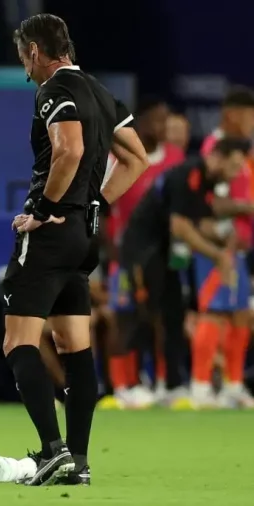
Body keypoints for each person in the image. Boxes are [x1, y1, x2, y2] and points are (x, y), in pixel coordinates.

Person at [2, 14, 147, 486]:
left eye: (24, 56)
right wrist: (96, 202)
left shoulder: (52, 91)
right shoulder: (101, 92)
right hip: (85, 236)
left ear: (36, 52)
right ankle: (78, 461)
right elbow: (136, 158)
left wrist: (45, 209)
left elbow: (70, 148)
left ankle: (50, 451)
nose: (25, 67)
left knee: (18, 341)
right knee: (74, 348)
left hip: (49, 235)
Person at [120, 138, 252, 409]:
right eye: (234, 165)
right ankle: (132, 387)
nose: (236, 172)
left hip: (168, 253)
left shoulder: (207, 182)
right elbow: (181, 227)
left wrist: (224, 241)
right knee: (146, 314)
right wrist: (217, 256)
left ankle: (171, 386)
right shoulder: (187, 174)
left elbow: (199, 223)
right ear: (216, 156)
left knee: (174, 314)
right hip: (144, 248)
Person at [103, 98, 185, 408]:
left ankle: (164, 383)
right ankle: (121, 387)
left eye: (168, 121)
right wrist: (112, 257)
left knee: (161, 320)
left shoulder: (176, 158)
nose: (163, 128)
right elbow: (104, 212)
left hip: (162, 259)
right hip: (124, 257)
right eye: (158, 121)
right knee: (124, 319)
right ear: (141, 122)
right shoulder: (118, 157)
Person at [193, 87, 254, 408]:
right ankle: (201, 386)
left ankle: (233, 385)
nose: (252, 122)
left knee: (241, 314)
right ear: (232, 114)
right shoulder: (214, 149)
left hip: (238, 249)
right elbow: (210, 203)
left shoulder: (243, 152)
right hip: (216, 245)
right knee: (215, 312)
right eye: (249, 115)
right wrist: (247, 209)